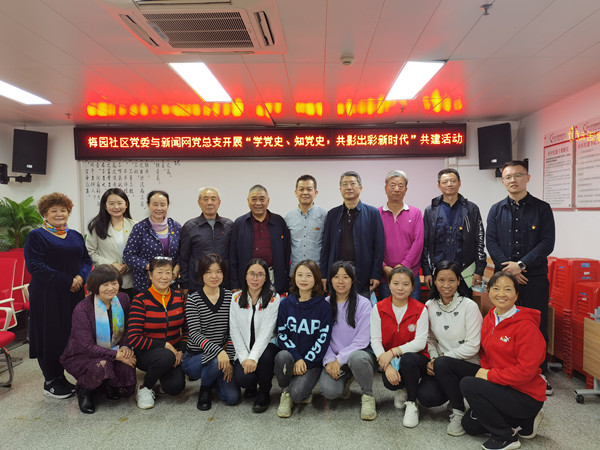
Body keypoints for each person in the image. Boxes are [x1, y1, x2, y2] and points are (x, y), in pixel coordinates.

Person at [486, 160, 555, 391]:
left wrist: (521, 265)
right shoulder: (496, 209)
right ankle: (506, 369)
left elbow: (547, 242)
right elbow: (491, 242)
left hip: (534, 277)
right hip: (505, 279)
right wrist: (510, 270)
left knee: (536, 325)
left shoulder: (542, 208)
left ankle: (539, 373)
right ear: (503, 181)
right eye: (508, 177)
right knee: (505, 323)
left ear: (527, 178)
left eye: (517, 175)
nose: (512, 180)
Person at [460, 272, 546, 450]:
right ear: (488, 291)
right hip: (502, 386)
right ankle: (525, 421)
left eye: (507, 289)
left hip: (525, 395)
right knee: (470, 425)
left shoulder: (526, 326)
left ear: (516, 294)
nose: (501, 294)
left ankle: (506, 437)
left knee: (468, 384)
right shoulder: (490, 317)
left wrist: (490, 376)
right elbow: (485, 354)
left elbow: (526, 371)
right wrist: (489, 379)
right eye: (496, 289)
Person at [24, 192, 93, 399]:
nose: (59, 214)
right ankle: (51, 380)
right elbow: (35, 266)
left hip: (74, 293)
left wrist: (80, 278)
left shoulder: (75, 235)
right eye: (53, 211)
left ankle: (62, 377)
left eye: (63, 210)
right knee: (49, 335)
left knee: (70, 334)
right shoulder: (36, 236)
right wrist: (67, 281)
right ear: (44, 214)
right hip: (47, 295)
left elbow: (86, 261)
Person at [61, 265, 137, 414]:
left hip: (115, 348)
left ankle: (106, 384)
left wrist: (125, 347)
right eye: (105, 284)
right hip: (84, 355)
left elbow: (130, 326)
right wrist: (116, 355)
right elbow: (86, 346)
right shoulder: (82, 309)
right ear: (96, 286)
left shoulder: (123, 298)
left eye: (114, 283)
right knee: (102, 366)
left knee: (126, 386)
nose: (111, 288)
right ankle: (84, 391)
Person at [418, 260, 483, 436]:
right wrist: (434, 358)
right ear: (434, 281)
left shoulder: (469, 306)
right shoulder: (430, 305)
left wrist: (442, 359)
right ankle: (453, 393)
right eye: (441, 280)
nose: (446, 285)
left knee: (443, 364)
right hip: (441, 365)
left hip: (468, 365)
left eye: (451, 280)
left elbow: (473, 346)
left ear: (459, 281)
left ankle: (458, 410)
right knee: (426, 397)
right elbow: (430, 338)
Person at [370, 267, 429, 428]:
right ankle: (402, 389)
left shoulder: (421, 309)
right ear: (389, 285)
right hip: (392, 362)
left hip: (416, 359)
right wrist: (387, 366)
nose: (400, 288)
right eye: (395, 283)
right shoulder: (379, 308)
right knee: (390, 382)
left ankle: (412, 403)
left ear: (412, 287)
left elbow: (420, 342)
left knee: (408, 359)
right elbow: (375, 340)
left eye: (405, 284)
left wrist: (393, 352)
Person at [126, 257, 187, 409]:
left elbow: (187, 329)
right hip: (147, 353)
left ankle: (160, 374)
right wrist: (165, 345)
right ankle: (145, 387)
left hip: (173, 353)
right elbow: (134, 338)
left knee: (175, 387)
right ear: (150, 275)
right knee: (165, 356)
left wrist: (181, 350)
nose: (164, 277)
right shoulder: (140, 300)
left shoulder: (179, 297)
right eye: (159, 272)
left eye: (168, 272)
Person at [319, 261, 377, 421]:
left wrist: (339, 359)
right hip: (334, 358)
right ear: (330, 280)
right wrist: (329, 360)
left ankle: (368, 396)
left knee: (356, 358)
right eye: (336, 277)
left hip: (360, 355)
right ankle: (346, 379)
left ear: (352, 280)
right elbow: (321, 338)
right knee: (329, 391)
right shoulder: (324, 304)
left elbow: (362, 340)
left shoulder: (363, 304)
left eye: (345, 277)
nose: (341, 281)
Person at [183, 253, 240, 410]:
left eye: (218, 271)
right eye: (208, 272)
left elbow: (233, 331)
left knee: (232, 398)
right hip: (195, 358)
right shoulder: (193, 300)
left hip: (222, 356)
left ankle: (213, 376)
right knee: (215, 361)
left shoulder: (230, 298)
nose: (214, 276)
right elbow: (195, 334)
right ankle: (205, 388)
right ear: (201, 274)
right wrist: (219, 352)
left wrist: (229, 359)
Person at [275, 260, 332, 418]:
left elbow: (323, 340)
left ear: (316, 279)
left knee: (298, 395)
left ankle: (298, 389)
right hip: (292, 357)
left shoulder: (324, 307)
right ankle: (285, 393)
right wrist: (297, 358)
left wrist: (305, 361)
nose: (303, 279)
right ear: (294, 278)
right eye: (299, 275)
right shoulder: (285, 304)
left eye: (308, 275)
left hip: (311, 362)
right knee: (281, 356)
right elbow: (282, 335)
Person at [421, 168, 486, 294]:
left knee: (465, 304)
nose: (449, 184)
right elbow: (425, 243)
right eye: (445, 182)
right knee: (438, 304)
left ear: (459, 183)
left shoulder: (471, 209)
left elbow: (479, 240)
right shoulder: (431, 211)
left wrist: (479, 270)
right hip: (438, 271)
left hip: (465, 271)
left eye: (453, 181)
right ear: (439, 185)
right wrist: (427, 271)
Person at [321, 171, 385, 298]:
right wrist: (324, 274)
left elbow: (379, 247)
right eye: (344, 184)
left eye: (352, 183)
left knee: (361, 307)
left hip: (362, 273)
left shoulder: (372, 213)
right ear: (340, 189)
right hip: (337, 272)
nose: (348, 187)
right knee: (336, 307)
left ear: (360, 188)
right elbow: (326, 247)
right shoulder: (332, 214)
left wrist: (376, 274)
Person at [230, 258, 280, 413]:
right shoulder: (236, 297)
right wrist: (244, 358)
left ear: (266, 278)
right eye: (251, 274)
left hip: (267, 344)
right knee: (243, 379)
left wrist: (253, 358)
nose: (255, 278)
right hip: (244, 346)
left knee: (265, 357)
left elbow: (266, 331)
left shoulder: (273, 298)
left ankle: (264, 392)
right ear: (245, 276)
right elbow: (234, 330)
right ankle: (251, 384)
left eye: (260, 274)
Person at [230, 184, 291, 294]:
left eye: (262, 199)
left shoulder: (279, 221)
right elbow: (233, 256)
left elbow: (287, 251)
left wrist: (285, 277)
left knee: (274, 304)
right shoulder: (239, 223)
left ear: (268, 201)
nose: (258, 203)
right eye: (254, 199)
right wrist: (235, 284)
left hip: (273, 276)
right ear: (248, 201)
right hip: (248, 277)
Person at [123, 190, 182, 295]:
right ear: (148, 205)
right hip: (144, 284)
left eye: (162, 205)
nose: (159, 208)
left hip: (170, 283)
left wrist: (177, 267)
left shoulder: (176, 227)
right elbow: (128, 255)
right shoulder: (140, 228)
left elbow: (183, 252)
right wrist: (151, 267)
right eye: (155, 204)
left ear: (167, 206)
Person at [379, 170, 424, 302]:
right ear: (386, 189)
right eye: (392, 185)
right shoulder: (376, 214)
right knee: (387, 312)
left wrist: (405, 265)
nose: (397, 189)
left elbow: (418, 242)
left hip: (410, 275)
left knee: (413, 313)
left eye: (400, 186)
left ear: (406, 190)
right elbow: (372, 245)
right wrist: (384, 267)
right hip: (386, 276)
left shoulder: (415, 213)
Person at [179, 187, 233, 294]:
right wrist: (184, 284)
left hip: (224, 283)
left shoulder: (229, 226)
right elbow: (184, 258)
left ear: (219, 202)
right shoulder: (190, 226)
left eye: (213, 199)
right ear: (199, 203)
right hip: (197, 284)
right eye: (205, 199)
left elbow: (234, 257)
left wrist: (235, 283)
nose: (209, 203)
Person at [86, 188, 136, 298]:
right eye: (111, 203)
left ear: (126, 204)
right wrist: (112, 265)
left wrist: (127, 266)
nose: (116, 207)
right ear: (105, 206)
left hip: (130, 281)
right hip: (105, 282)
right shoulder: (96, 226)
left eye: (119, 203)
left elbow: (139, 252)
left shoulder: (135, 226)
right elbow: (90, 252)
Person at [284, 174, 327, 276]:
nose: (305, 193)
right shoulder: (288, 217)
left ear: (315, 193)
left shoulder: (325, 215)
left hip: (317, 273)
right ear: (296, 192)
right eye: (301, 189)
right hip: (295, 273)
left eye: (309, 189)